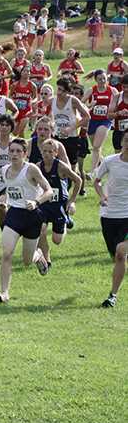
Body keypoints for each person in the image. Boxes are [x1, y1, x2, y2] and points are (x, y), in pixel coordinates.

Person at [0, 138, 54, 304]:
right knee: (6, 253)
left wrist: (36, 202)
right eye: (11, 151)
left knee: (26, 261)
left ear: (25, 154)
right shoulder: (4, 170)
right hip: (13, 216)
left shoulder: (31, 169)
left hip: (32, 216)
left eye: (18, 151)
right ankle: (4, 293)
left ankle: (38, 256)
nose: (14, 154)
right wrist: (2, 200)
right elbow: (10, 190)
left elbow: (49, 191)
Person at [94, 132, 128, 308]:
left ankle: (112, 295)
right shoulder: (110, 161)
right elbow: (97, 181)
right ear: (121, 142)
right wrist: (102, 196)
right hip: (109, 215)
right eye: (127, 140)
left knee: (121, 252)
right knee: (116, 256)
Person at [37, 138, 81, 268]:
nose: (47, 154)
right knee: (41, 230)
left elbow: (78, 180)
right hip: (44, 205)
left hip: (58, 206)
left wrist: (72, 200)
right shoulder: (38, 166)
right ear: (41, 152)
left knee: (57, 240)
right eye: (44, 151)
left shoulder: (61, 166)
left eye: (50, 152)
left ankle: (66, 221)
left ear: (56, 153)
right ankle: (47, 261)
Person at [86, 69, 118, 169]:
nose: (102, 81)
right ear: (96, 80)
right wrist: (89, 105)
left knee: (96, 147)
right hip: (92, 120)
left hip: (105, 121)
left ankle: (93, 172)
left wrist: (113, 109)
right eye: (100, 79)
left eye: (104, 79)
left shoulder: (112, 90)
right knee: (96, 148)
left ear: (107, 78)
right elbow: (81, 104)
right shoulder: (91, 90)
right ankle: (106, 164)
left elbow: (119, 103)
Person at [10, 68, 38, 137]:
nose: (26, 72)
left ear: (30, 74)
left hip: (26, 111)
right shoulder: (15, 85)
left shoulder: (32, 85)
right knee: (16, 132)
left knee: (18, 131)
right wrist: (13, 101)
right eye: (24, 71)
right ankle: (23, 145)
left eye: (28, 71)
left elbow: (36, 97)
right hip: (16, 111)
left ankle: (22, 145)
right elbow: (10, 96)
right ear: (21, 73)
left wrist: (32, 101)